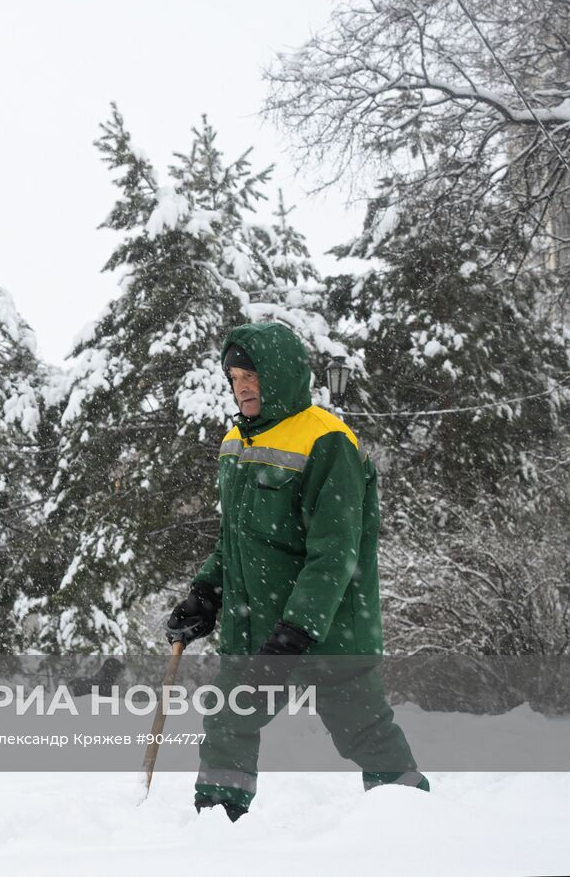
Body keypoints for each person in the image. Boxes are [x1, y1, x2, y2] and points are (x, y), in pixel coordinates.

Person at [166, 321, 428, 820]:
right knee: (228, 715)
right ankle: (220, 823)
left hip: (326, 632)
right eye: (235, 376)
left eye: (253, 375)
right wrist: (206, 592)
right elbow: (236, 537)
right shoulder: (235, 442)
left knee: (364, 732)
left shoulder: (328, 440)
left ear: (280, 375)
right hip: (259, 626)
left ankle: (414, 823)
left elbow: (335, 551)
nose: (242, 385)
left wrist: (297, 630)